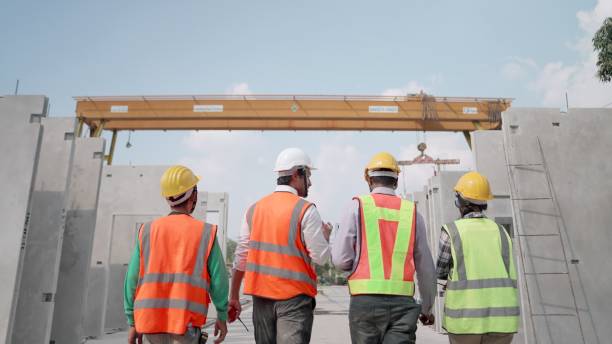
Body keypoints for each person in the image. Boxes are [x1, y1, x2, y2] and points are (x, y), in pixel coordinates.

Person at [228, 147, 332, 344]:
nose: (310, 182)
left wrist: (233, 296)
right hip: (294, 299)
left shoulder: (254, 209)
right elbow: (321, 257)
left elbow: (241, 258)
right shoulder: (306, 210)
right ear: (296, 174)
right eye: (307, 175)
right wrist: (325, 237)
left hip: (261, 299)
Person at [331, 152, 437, 344]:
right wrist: (427, 307)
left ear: (369, 180)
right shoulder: (412, 213)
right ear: (396, 182)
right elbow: (426, 268)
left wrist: (356, 266)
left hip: (364, 303)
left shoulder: (356, 207)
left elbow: (340, 259)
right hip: (403, 306)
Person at [124, 165, 229, 344]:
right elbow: (219, 281)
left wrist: (132, 321)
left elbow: (132, 279)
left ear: (167, 198)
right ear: (193, 195)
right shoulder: (205, 233)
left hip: (151, 324)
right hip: (185, 324)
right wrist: (222, 315)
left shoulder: (147, 231)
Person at [436, 171, 519, 344]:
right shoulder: (502, 231)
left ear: (460, 201)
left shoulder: (452, 231)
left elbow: (441, 271)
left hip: (465, 321)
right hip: (502, 321)